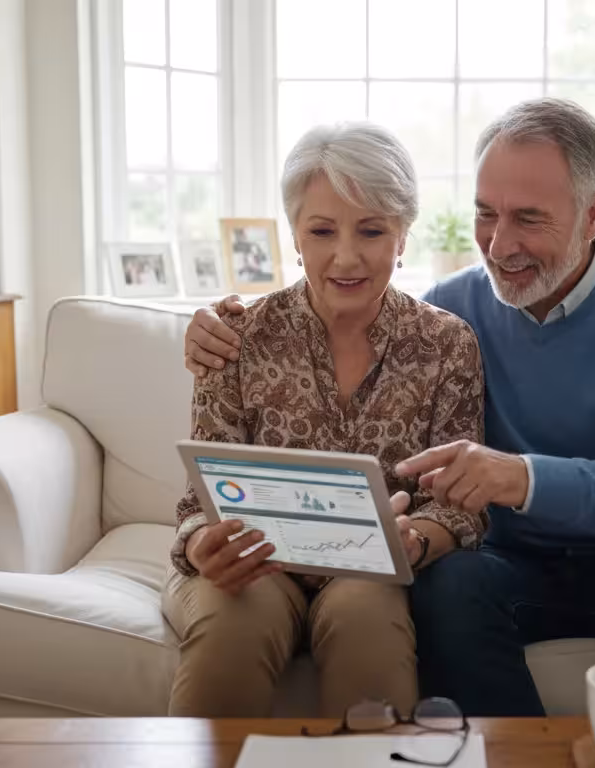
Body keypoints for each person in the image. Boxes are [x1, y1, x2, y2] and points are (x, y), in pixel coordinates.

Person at [183, 98, 595, 717]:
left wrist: (524, 476)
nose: (500, 245)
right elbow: (351, 303)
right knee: (450, 586)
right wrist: (207, 325)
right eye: (485, 214)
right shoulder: (455, 311)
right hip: (510, 568)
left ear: (593, 214)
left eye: (529, 218)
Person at [165, 121, 486, 718]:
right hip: (255, 560)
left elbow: (459, 504)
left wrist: (412, 542)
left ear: (402, 237)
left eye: (371, 230)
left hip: (372, 567)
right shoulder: (233, 337)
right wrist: (201, 546)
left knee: (368, 621)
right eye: (321, 231)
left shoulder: (447, 344)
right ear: (294, 236)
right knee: (230, 629)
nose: (346, 256)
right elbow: (197, 502)